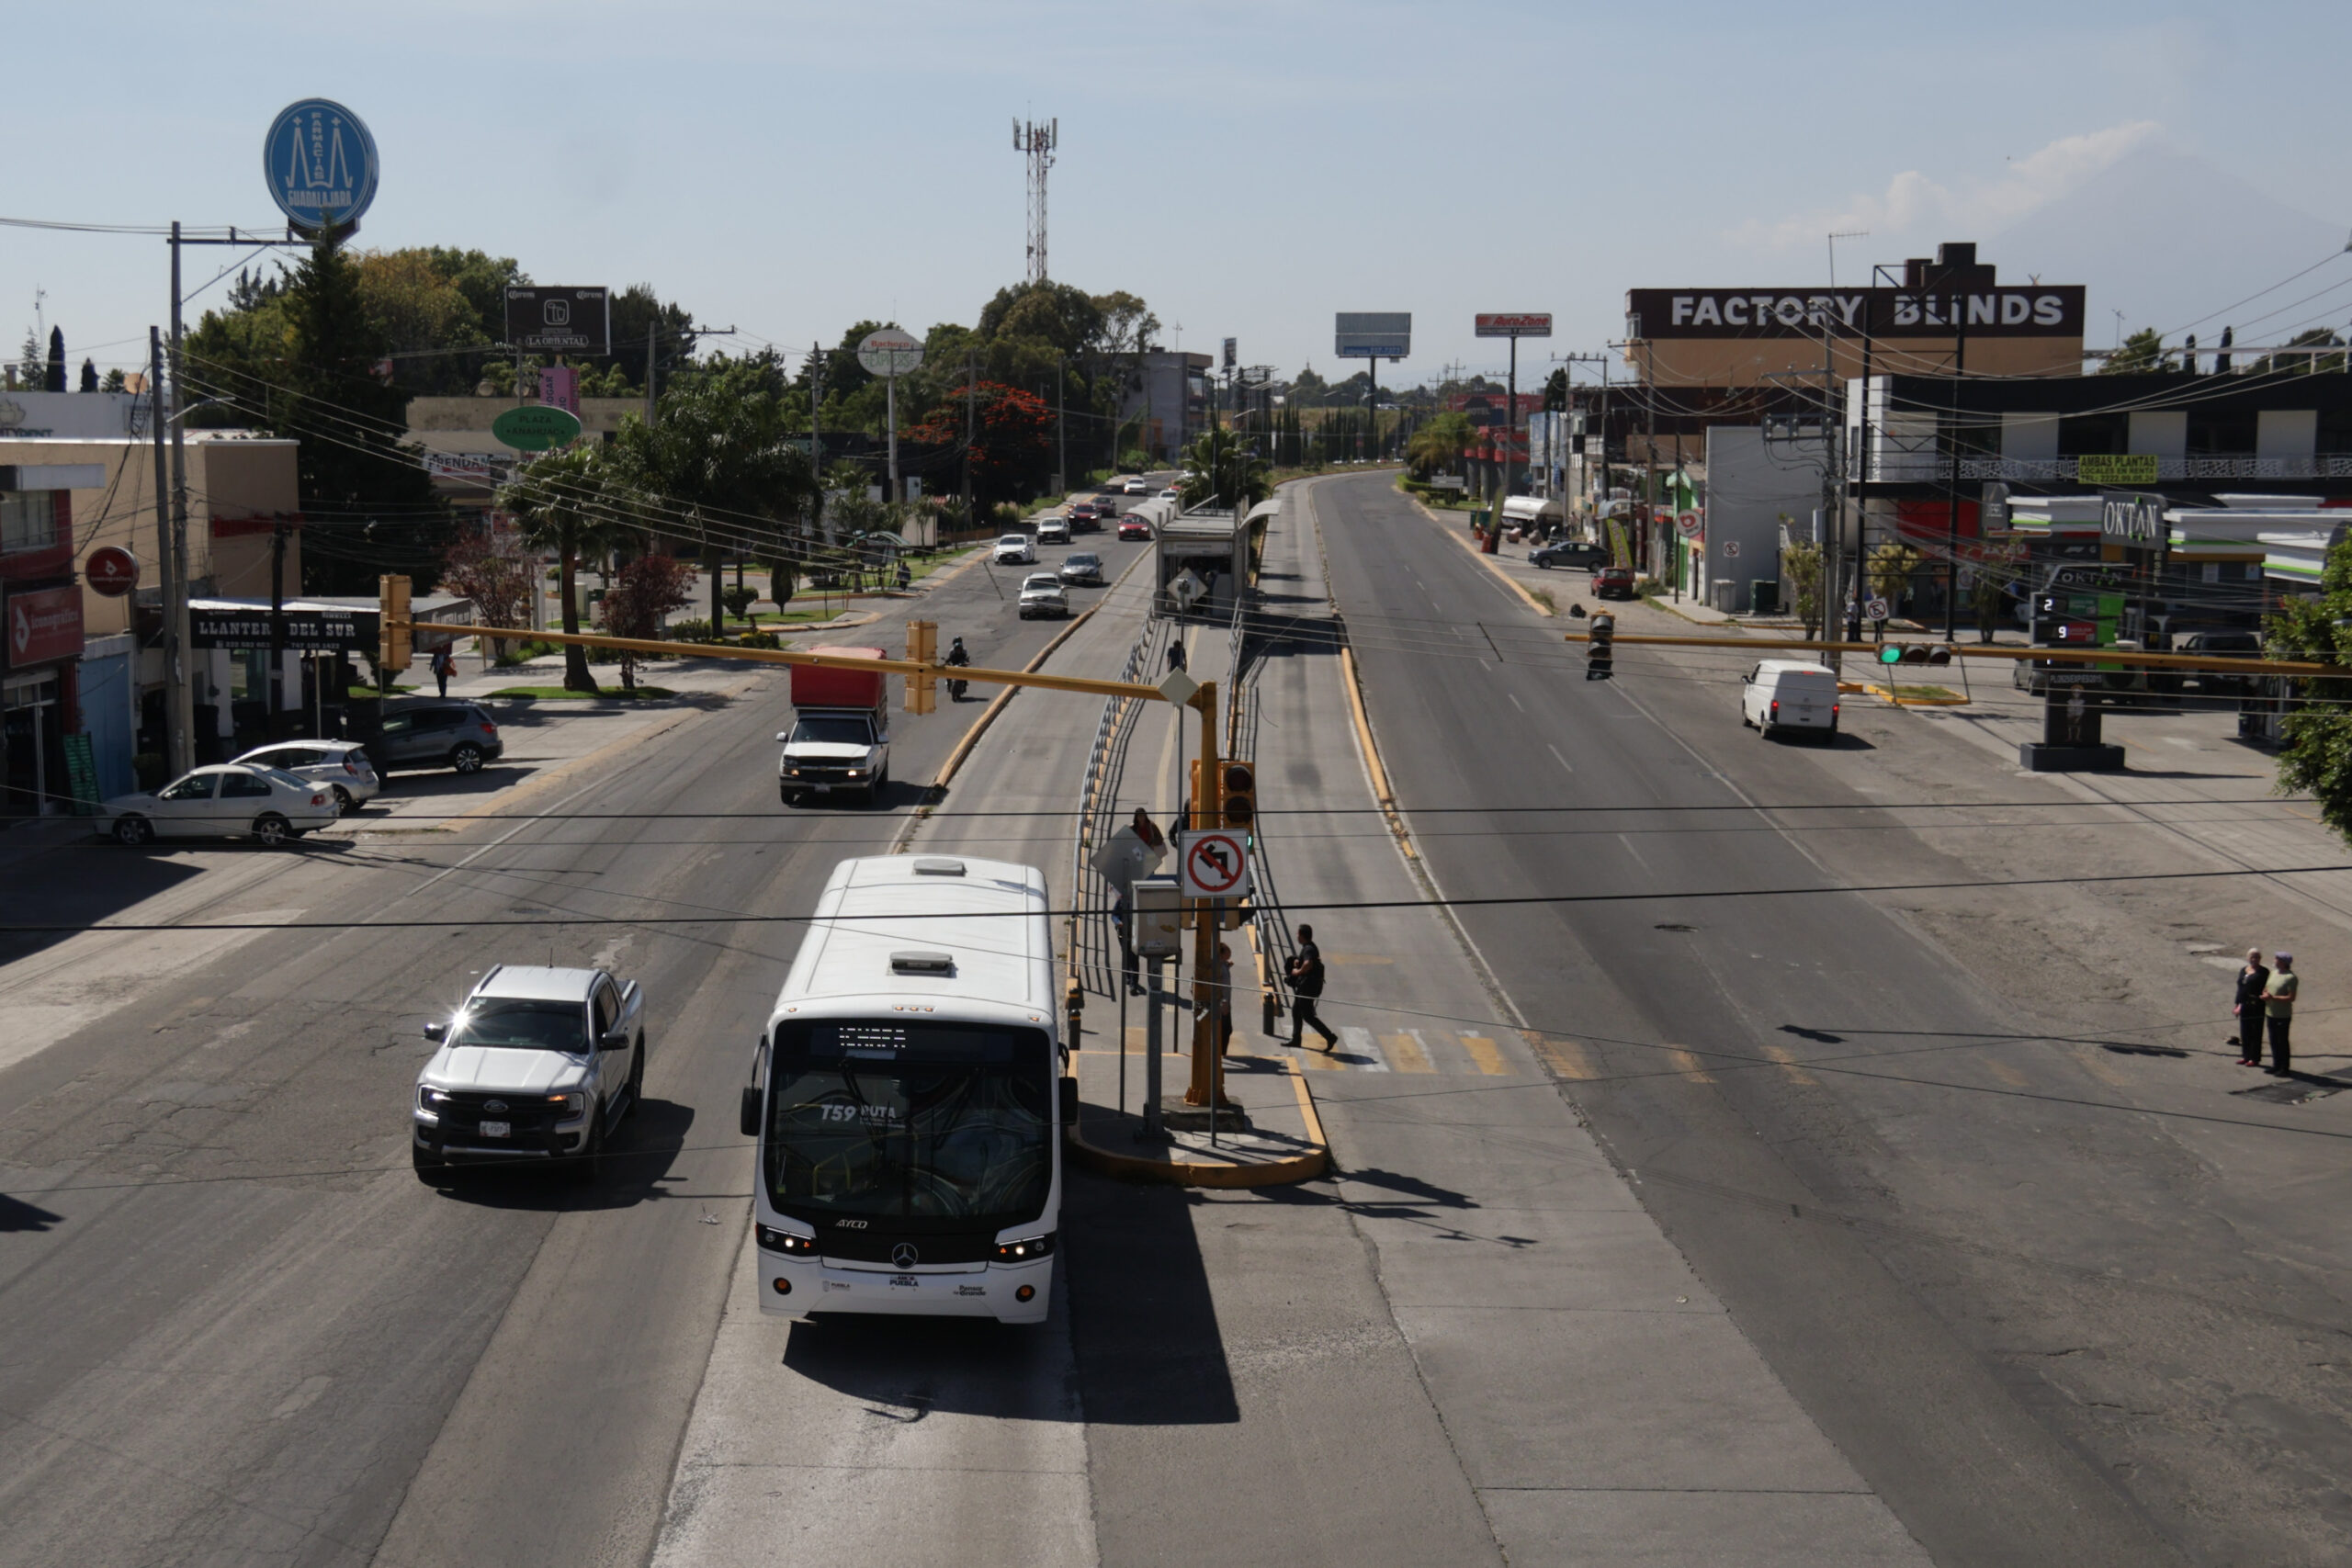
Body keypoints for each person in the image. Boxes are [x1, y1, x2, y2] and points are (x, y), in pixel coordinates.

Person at [1286, 922, 1337, 1050]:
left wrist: (1297, 972)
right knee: (1296, 1011)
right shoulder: (1308, 947)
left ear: (1302, 936)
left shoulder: (1308, 948)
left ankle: (1330, 1037)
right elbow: (1307, 961)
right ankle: (1296, 1039)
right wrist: (1299, 961)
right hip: (1306, 986)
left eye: (1298, 934)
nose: (1296, 936)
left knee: (1307, 1016)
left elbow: (1308, 964)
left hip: (1307, 987)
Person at [2232, 948, 2270, 1065]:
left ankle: (2254, 1058)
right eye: (2252, 957)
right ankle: (2246, 1056)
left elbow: (2267, 987)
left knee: (2255, 1032)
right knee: (2245, 1032)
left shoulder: (2264, 972)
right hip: (2244, 1004)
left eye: (2257, 957)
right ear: (2248, 958)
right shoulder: (2244, 970)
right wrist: (2238, 1005)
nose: (2254, 959)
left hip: (2257, 1005)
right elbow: (2241, 989)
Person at [2262, 953, 2298, 1076]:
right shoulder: (2273, 973)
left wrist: (2273, 998)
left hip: (2282, 1014)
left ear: (2283, 962)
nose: (2275, 960)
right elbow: (2266, 988)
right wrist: (2265, 995)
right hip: (2270, 1012)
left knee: (2282, 1041)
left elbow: (2291, 997)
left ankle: (2284, 1067)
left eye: (2277, 959)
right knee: (2273, 1040)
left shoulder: (2290, 978)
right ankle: (2276, 1064)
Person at [944, 635, 970, 701]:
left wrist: (966, 662)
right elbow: (949, 658)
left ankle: (964, 684)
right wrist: (946, 662)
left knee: (965, 673)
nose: (958, 650)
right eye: (957, 649)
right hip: (954, 665)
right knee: (948, 673)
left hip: (961, 665)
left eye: (959, 649)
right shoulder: (952, 651)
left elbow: (965, 659)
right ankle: (948, 684)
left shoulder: (964, 651)